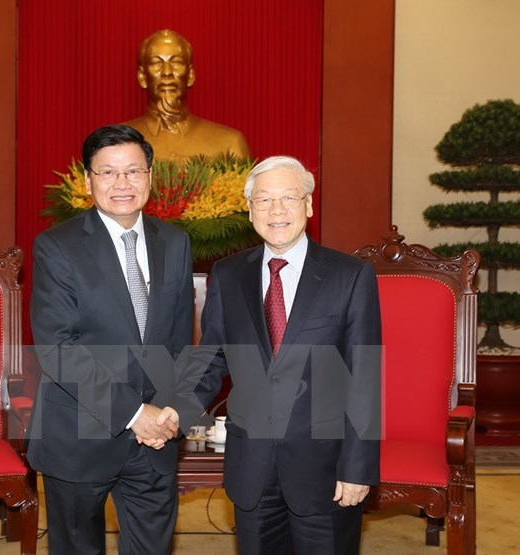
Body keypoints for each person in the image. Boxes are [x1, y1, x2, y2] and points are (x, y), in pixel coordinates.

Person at [177, 156, 382, 554]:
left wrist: (357, 468)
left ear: (308, 204)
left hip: (325, 467)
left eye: (288, 197)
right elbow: (213, 358)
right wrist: (174, 410)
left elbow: (365, 376)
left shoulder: (350, 275)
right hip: (250, 465)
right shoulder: (228, 274)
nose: (277, 210)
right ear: (249, 209)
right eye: (265, 199)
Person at [26, 124, 194, 554]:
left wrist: (169, 413)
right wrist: (134, 412)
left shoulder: (175, 243)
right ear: (87, 181)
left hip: (155, 440)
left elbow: (178, 343)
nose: (122, 184)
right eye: (108, 173)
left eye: (133, 171)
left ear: (150, 177)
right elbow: (58, 350)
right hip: (80, 437)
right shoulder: (56, 247)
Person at [124, 29, 251, 161]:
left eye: (176, 62)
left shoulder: (229, 144)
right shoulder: (113, 142)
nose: (167, 72)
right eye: (156, 63)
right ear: (142, 76)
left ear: (190, 75)